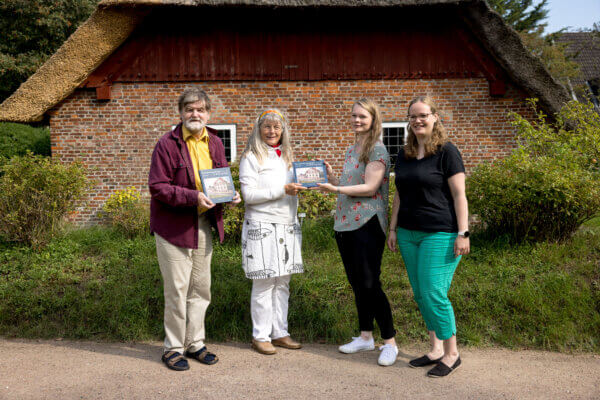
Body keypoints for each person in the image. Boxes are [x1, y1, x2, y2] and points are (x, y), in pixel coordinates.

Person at [149, 88, 241, 371]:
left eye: (200, 109)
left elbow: (220, 178)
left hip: (202, 224)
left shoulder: (215, 142)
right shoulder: (166, 144)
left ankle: (195, 343)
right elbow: (158, 186)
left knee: (200, 288)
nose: (195, 114)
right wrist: (193, 197)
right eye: (189, 109)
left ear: (208, 114)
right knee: (177, 290)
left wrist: (230, 195)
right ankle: (173, 348)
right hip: (173, 227)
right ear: (180, 113)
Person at [387, 96, 470, 378]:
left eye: (423, 115)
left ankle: (452, 353)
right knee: (421, 293)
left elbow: (459, 195)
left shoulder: (447, 152)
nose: (417, 120)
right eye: (412, 116)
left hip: (440, 233)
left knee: (434, 292)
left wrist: (463, 233)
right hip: (408, 233)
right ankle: (435, 349)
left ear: (435, 117)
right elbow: (399, 194)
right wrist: (393, 228)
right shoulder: (404, 154)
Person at [315, 98, 398, 366]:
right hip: (345, 223)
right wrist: (332, 179)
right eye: (354, 116)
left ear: (373, 119)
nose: (357, 120)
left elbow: (370, 187)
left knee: (371, 283)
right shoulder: (352, 149)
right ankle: (365, 336)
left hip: (367, 223)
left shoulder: (377, 149)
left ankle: (390, 342)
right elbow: (351, 183)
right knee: (357, 282)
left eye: (362, 116)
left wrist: (336, 189)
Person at [239, 109, 306, 355]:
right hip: (262, 224)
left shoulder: (286, 156)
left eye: (277, 127)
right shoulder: (251, 157)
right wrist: (282, 190)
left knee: (283, 281)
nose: (272, 131)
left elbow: (293, 187)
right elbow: (249, 196)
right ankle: (260, 335)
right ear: (259, 129)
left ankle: (280, 332)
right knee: (264, 281)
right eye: (267, 126)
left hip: (287, 224)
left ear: (283, 130)